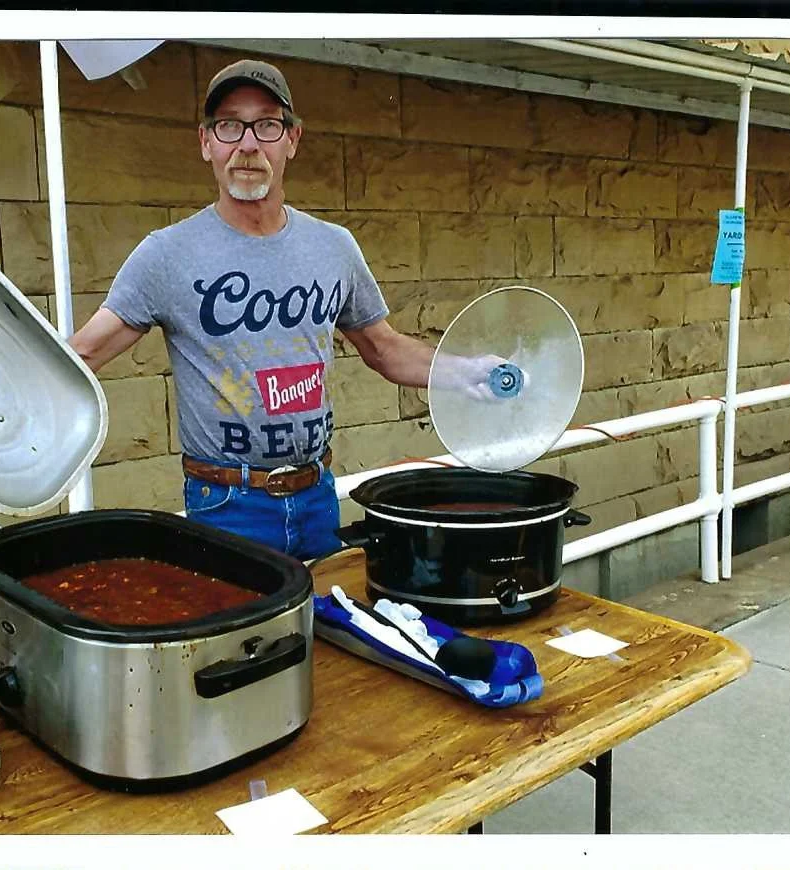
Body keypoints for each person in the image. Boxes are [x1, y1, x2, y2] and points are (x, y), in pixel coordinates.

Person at [67, 58, 499, 560]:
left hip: (317, 496)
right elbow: (84, 354)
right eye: (230, 125)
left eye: (267, 125)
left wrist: (468, 372)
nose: (248, 144)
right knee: (240, 636)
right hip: (227, 503)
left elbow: (384, 348)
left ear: (292, 139)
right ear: (206, 142)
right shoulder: (167, 254)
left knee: (325, 631)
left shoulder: (334, 248)